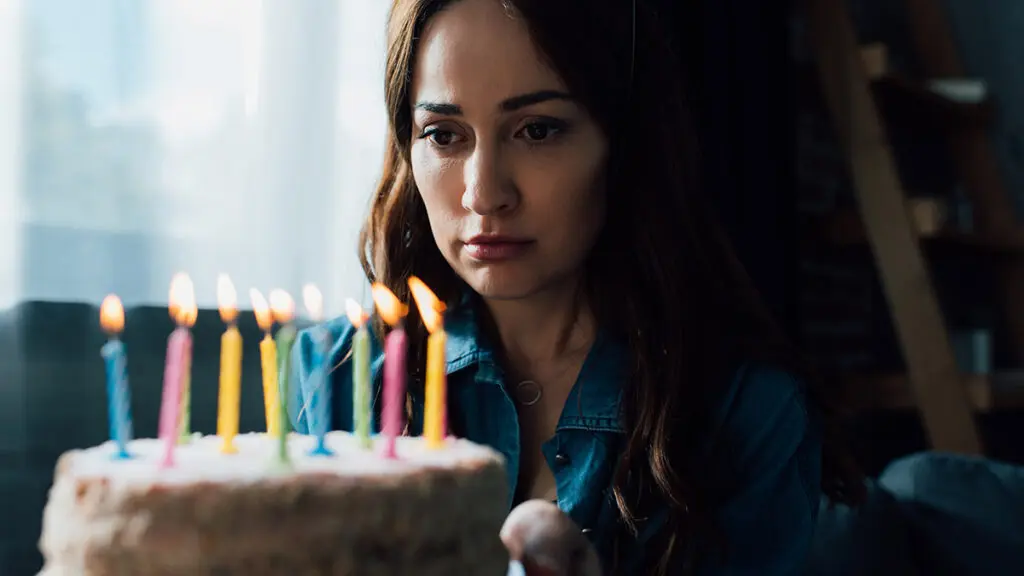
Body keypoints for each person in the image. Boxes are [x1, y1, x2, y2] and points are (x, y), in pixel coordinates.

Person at [290, 0, 864, 573]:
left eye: (536, 130)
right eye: (444, 135)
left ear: (624, 142)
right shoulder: (336, 378)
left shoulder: (747, 414)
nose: (483, 193)